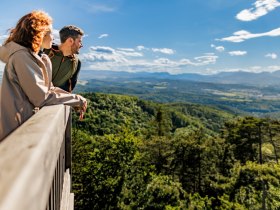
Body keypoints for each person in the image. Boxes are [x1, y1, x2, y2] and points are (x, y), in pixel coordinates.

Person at [0, 10, 87, 141]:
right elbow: (41, 97)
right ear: (39, 34)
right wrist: (76, 100)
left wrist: (77, 99)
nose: (53, 38)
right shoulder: (22, 57)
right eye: (50, 33)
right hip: (15, 128)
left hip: (26, 123)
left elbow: (49, 88)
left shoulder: (37, 57)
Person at [44, 25, 84, 92]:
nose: (81, 45)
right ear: (70, 41)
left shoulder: (77, 63)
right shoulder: (45, 51)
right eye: (79, 41)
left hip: (53, 100)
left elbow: (69, 88)